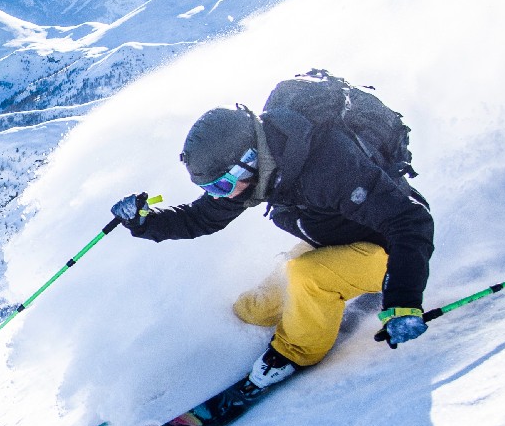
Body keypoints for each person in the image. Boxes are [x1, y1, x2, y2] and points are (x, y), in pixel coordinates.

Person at [111, 87, 434, 392]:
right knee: (253, 307)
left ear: (247, 162)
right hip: (341, 241)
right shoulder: (260, 170)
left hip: (392, 251)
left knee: (307, 276)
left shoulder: (329, 167)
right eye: (209, 189)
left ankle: (294, 352)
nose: (218, 197)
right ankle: (251, 336)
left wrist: (403, 301)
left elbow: (411, 220)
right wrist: (144, 222)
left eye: (220, 187)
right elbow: (201, 218)